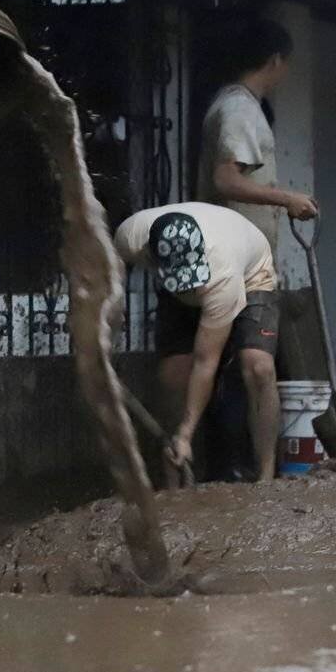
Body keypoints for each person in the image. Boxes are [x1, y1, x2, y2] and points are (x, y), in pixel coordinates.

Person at [114, 202, 281, 483]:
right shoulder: (130, 237)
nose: (189, 287)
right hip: (177, 280)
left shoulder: (223, 275)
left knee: (258, 366)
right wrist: (111, 320)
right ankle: (176, 472)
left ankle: (266, 474)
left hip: (250, 276)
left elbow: (206, 362)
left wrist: (186, 432)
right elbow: (110, 270)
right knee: (174, 374)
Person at [197, 17, 317, 255]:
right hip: (233, 253)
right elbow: (225, 179)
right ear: (275, 60)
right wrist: (287, 198)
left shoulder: (237, 104)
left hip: (238, 252)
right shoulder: (240, 108)